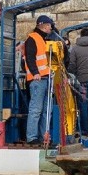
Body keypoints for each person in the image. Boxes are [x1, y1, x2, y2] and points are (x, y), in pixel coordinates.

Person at [24, 15, 56, 146]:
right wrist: (35, 73)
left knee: (46, 111)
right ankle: (32, 137)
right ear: (42, 25)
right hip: (38, 79)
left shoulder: (43, 39)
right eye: (49, 25)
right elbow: (30, 58)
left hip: (46, 78)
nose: (51, 28)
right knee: (36, 110)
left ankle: (44, 137)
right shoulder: (33, 39)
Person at [68, 27, 88, 139]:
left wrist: (76, 73)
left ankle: (85, 132)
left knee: (83, 106)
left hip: (82, 82)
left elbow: (71, 66)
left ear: (80, 36)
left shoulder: (75, 49)